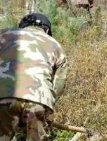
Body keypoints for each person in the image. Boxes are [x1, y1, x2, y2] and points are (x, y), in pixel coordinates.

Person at [0, 13, 68, 141]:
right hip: (39, 98)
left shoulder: (3, 34)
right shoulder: (56, 45)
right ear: (46, 30)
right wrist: (47, 106)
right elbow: (59, 84)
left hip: (3, 96)